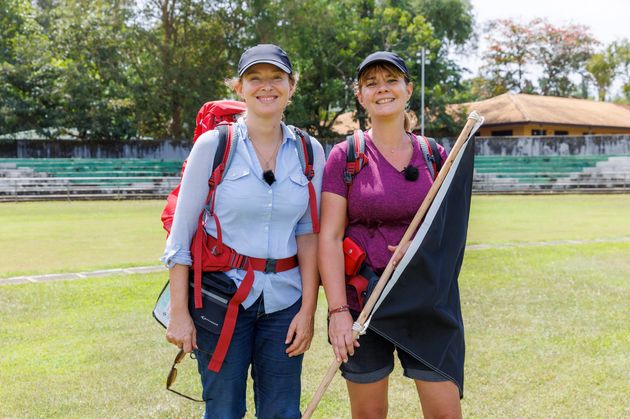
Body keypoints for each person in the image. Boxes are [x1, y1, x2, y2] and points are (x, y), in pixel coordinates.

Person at [161, 44, 324, 419]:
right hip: (221, 302)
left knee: (282, 411)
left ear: (291, 86)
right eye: (255, 78)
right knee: (224, 412)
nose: (266, 87)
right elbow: (181, 235)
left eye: (276, 78)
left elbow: (308, 233)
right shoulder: (214, 145)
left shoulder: (310, 150)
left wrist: (309, 312)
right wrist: (179, 312)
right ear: (240, 87)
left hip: (286, 304)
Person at [318, 51, 461, 419]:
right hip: (363, 301)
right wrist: (338, 313)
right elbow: (329, 238)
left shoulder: (434, 154)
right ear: (360, 96)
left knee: (446, 414)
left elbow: (450, 230)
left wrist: (420, 246)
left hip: (425, 301)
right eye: (371, 84)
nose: (382, 89)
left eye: (391, 80)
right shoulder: (344, 156)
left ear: (408, 89)